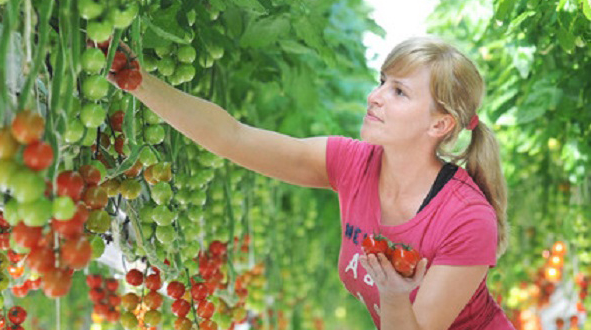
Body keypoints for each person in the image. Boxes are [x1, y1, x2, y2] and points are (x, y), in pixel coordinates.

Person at [110, 36, 515, 329]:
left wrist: (393, 296)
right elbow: (232, 138)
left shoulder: (467, 218)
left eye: (399, 92)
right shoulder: (352, 163)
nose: (375, 97)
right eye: (381, 82)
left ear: (440, 124)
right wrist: (133, 78)